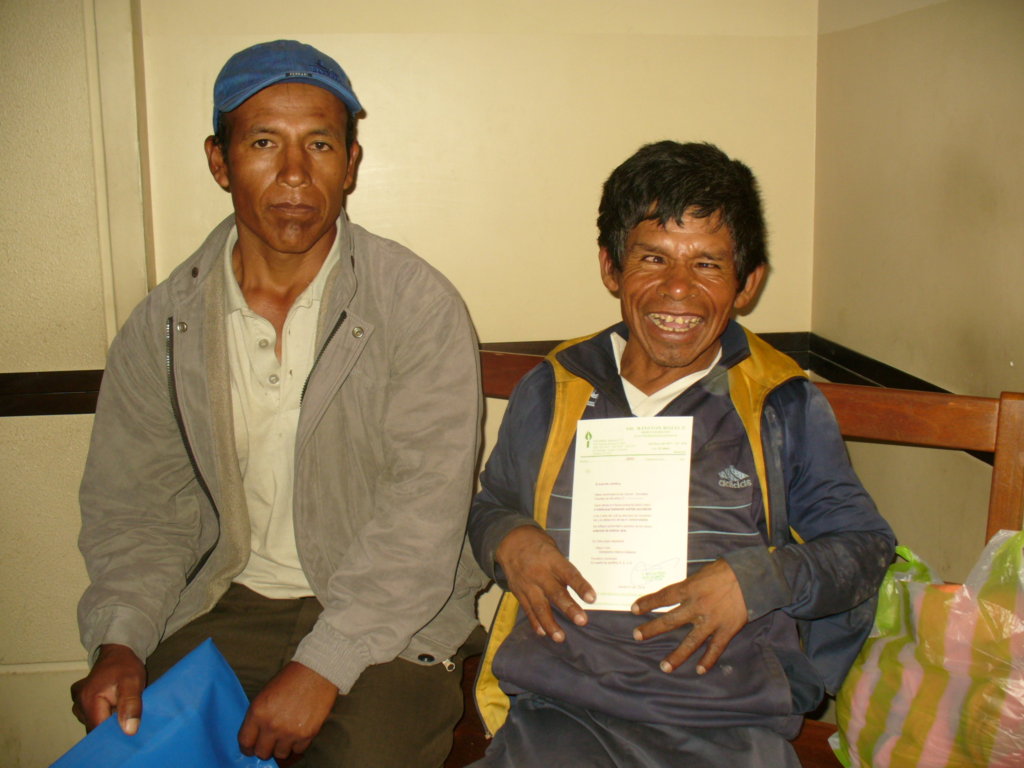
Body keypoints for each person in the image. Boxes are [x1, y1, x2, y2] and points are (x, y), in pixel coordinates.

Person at [70, 40, 486, 767]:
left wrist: (324, 663)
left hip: (388, 615)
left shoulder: (415, 304)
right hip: (223, 602)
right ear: (219, 160)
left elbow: (422, 518)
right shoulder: (166, 324)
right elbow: (138, 511)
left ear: (351, 165)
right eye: (264, 143)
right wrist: (121, 639)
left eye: (320, 144)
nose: (295, 174)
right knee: (133, 751)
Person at [467, 141, 895, 767]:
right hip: (562, 712)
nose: (677, 290)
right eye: (652, 258)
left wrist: (759, 580)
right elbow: (489, 507)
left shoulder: (780, 404)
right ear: (612, 267)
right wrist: (508, 538)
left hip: (727, 720)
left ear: (747, 284)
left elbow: (864, 548)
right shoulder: (558, 386)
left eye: (708, 264)